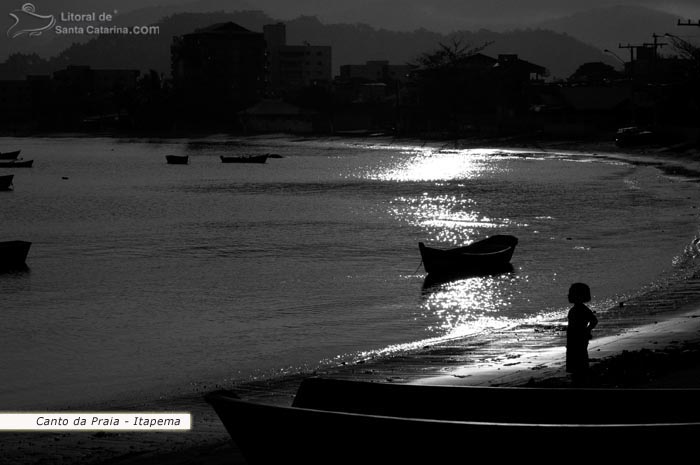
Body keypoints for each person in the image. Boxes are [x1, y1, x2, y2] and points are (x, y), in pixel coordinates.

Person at [566, 282, 598, 386]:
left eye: (571, 293)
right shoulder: (574, 309)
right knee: (576, 356)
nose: (568, 295)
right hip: (573, 337)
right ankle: (578, 377)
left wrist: (587, 330)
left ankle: (580, 379)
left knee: (580, 356)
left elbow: (594, 321)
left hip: (579, 336)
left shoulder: (582, 309)